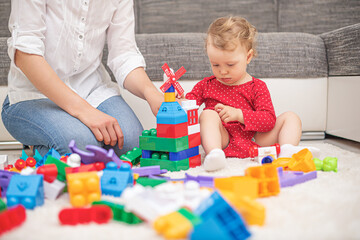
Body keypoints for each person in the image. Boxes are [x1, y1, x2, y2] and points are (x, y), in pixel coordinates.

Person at [1, 0, 163, 157]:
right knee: (81, 146)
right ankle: (39, 142)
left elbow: (124, 55)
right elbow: (25, 54)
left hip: (91, 89)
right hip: (34, 95)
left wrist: (151, 93)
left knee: (132, 144)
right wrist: (85, 111)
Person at [185, 16, 318, 171]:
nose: (222, 71)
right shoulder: (206, 85)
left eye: (230, 64)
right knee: (207, 114)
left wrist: (239, 114)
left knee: (291, 117)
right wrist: (180, 100)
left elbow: (268, 120)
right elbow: (189, 104)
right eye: (215, 64)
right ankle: (214, 154)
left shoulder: (257, 86)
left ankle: (287, 151)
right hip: (224, 139)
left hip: (257, 139)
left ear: (248, 57)